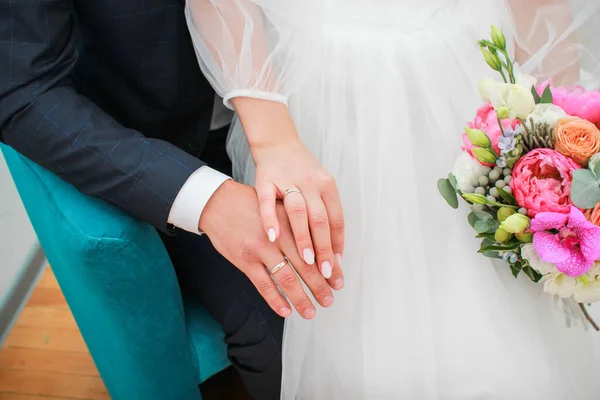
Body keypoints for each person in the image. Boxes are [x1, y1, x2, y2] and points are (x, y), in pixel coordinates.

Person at [186, 0, 600, 398]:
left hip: (468, 62)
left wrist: (564, 133)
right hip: (325, 89)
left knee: (517, 342)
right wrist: (274, 140)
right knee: (368, 347)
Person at [0, 2, 345, 399]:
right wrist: (207, 199)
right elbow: (25, 92)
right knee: (295, 329)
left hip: (321, 96)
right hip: (170, 146)